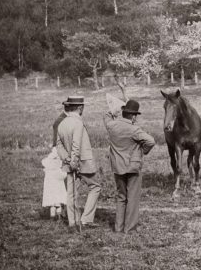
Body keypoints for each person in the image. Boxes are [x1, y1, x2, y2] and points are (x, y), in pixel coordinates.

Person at [103, 99, 155, 233]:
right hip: (132, 167)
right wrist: (143, 151)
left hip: (117, 167)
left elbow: (107, 116)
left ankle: (118, 227)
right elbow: (151, 141)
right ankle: (130, 229)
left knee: (121, 197)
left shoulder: (111, 126)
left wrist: (115, 108)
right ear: (133, 116)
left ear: (124, 112)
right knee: (133, 197)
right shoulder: (134, 129)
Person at [56, 95, 101, 229]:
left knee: (71, 193)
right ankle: (85, 219)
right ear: (80, 108)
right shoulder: (78, 122)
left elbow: (59, 145)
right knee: (95, 187)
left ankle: (72, 221)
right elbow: (76, 145)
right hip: (82, 162)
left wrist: (67, 159)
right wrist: (74, 162)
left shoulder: (62, 123)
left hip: (69, 163)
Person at [41, 148, 67, 220]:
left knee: (52, 206)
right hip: (57, 192)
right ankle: (59, 217)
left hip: (50, 192)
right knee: (58, 205)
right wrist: (66, 172)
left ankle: (52, 217)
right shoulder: (57, 171)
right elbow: (63, 176)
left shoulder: (48, 170)